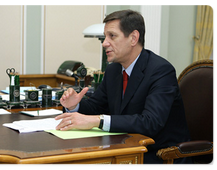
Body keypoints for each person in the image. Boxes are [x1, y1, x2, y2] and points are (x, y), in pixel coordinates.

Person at [55, 10, 192, 164]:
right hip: (123, 147)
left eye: (112, 36)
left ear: (133, 38)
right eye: (105, 36)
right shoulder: (114, 69)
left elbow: (150, 122)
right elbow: (96, 106)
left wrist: (98, 121)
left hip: (160, 156)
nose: (104, 43)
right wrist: (74, 105)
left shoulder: (161, 70)